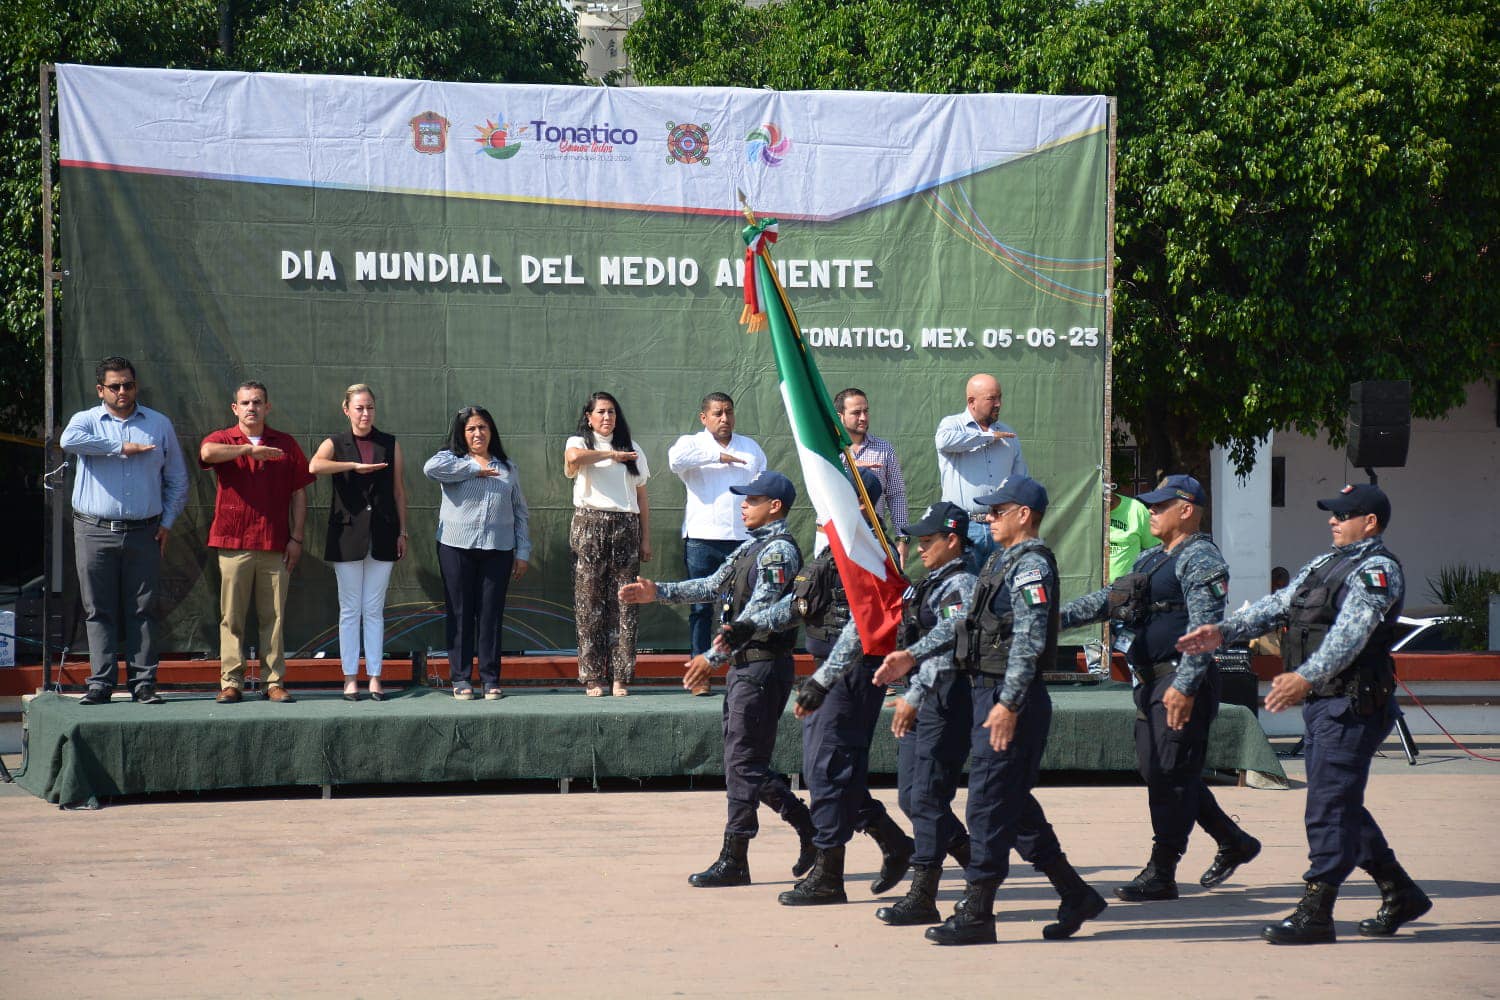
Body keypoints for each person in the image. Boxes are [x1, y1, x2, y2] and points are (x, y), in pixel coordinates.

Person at [1178, 483, 1431, 945]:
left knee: (1327, 807)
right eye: (1332, 514)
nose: (1332, 521)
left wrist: (1306, 676)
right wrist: (1225, 631)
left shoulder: (1377, 570)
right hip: (1326, 703)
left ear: (1369, 522)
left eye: (1343, 514)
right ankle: (1400, 892)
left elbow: (1350, 636)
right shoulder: (1324, 563)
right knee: (1341, 804)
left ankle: (1318, 910)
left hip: (1352, 703)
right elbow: (1279, 606)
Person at [1060, 474, 1261, 903]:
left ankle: (1163, 870)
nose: (1150, 511)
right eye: (1149, 505)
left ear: (1186, 510)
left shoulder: (1201, 556)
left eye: (1159, 505)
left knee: (1171, 775)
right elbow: (1106, 600)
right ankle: (1233, 840)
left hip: (1179, 681)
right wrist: (1051, 618)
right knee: (1161, 772)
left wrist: (1185, 686)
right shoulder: (1150, 559)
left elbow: (1205, 628)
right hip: (1148, 680)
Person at [927, 476, 1107, 945]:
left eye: (997, 511)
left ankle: (978, 912)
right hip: (990, 691)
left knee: (987, 803)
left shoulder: (1030, 565)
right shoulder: (1000, 562)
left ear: (1023, 515)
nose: (988, 519)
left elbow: (1029, 639)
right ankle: (1075, 893)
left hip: (1011, 697)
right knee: (1012, 803)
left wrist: (1009, 703)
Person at [619, 471, 818, 886]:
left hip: (762, 665)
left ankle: (736, 856)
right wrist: (659, 592)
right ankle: (806, 827)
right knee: (744, 761)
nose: (743, 505)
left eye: (752, 499)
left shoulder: (778, 553)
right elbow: (712, 585)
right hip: (747, 666)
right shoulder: (754, 547)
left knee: (742, 761)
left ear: (775, 506)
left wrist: (711, 658)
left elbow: (753, 617)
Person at [762, 469, 915, 906]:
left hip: (847, 673)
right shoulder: (842, 546)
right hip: (829, 670)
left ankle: (830, 876)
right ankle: (893, 841)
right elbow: (801, 605)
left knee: (828, 769)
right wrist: (745, 628)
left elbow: (858, 627)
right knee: (828, 769)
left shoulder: (865, 552)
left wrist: (823, 682)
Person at [865, 501, 977, 924]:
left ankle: (924, 893)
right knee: (912, 798)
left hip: (944, 699)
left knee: (928, 797)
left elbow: (950, 642)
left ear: (953, 541)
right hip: (920, 697)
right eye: (918, 540)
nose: (921, 548)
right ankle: (975, 863)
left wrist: (917, 689)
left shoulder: (960, 584)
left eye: (928, 541)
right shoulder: (929, 583)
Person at [59, 356, 189, 705]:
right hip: (93, 530)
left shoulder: (158, 424)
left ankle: (143, 682)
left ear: (135, 386)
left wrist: (167, 524)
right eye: (114, 386)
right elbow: (67, 441)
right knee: (98, 608)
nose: (122, 391)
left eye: (128, 384)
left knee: (142, 609)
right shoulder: (85, 421)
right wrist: (120, 448)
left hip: (145, 531)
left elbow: (177, 479)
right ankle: (100, 683)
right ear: (100, 389)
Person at [200, 380, 315, 703]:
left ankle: (273, 682)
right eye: (246, 403)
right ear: (235, 408)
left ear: (268, 407)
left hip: (275, 544)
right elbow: (207, 453)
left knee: (274, 617)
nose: (252, 408)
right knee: (232, 617)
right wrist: (248, 449)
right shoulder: (223, 439)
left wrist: (297, 538)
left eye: (258, 402)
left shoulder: (286, 444)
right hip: (233, 543)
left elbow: (299, 493)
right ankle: (231, 682)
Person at [423, 406, 530, 701]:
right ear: (461, 433)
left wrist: (523, 551)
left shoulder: (507, 467)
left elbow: (520, 511)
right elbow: (429, 469)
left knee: (490, 615)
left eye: (482, 427)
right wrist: (474, 468)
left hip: (498, 548)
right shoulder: (450, 461)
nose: (477, 433)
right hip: (455, 547)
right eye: (470, 429)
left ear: (491, 431)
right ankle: (460, 679)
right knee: (459, 613)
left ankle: (490, 679)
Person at [309, 384, 408, 701]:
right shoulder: (335, 443)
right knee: (350, 609)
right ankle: (350, 678)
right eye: (360, 408)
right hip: (346, 536)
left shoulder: (389, 443)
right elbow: (315, 466)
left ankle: (376, 677)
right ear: (346, 409)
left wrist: (402, 531)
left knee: (374, 609)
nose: (365, 414)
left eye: (370, 408)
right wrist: (353, 466)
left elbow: (398, 492)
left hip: (382, 535)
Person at [667, 391, 765, 670]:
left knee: (743, 607)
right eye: (718, 413)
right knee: (700, 608)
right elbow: (675, 461)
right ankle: (700, 671)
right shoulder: (691, 444)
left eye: (729, 412)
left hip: (743, 541)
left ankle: (743, 667)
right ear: (704, 417)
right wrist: (718, 456)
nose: (725, 418)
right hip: (701, 540)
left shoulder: (750, 448)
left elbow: (762, 487)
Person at [567, 391, 650, 697]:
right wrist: (611, 455)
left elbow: (641, 495)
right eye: (600, 412)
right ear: (588, 417)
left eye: (612, 412)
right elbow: (574, 461)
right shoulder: (579, 443)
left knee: (625, 602)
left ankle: (621, 676)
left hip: (626, 526)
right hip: (589, 525)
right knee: (589, 603)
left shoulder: (632, 447)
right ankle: (592, 677)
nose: (607, 417)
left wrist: (645, 538)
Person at [934, 373, 1027, 571]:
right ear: (971, 401)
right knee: (963, 591)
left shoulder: (1008, 435)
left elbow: (1020, 482)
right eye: (991, 398)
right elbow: (944, 441)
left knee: (999, 593)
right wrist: (987, 436)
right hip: (964, 528)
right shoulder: (952, 425)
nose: (998, 404)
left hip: (1000, 527)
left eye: (1000, 397)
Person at [835, 387, 911, 566]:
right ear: (840, 416)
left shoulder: (884, 449)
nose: (863, 417)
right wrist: (851, 470)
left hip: (873, 535)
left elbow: (896, 495)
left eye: (866, 411)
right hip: (835, 534)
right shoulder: (829, 449)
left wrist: (903, 538)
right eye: (856, 413)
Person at [1108, 489, 1159, 582]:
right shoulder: (1083, 511)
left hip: (1127, 590)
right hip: (1089, 590)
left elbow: (1154, 550)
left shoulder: (1136, 509)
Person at [1249, 567, 1292, 657]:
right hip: (1264, 653)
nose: (1278, 591)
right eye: (1277, 586)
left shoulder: (1292, 607)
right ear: (1270, 584)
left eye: (1283, 588)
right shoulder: (1259, 607)